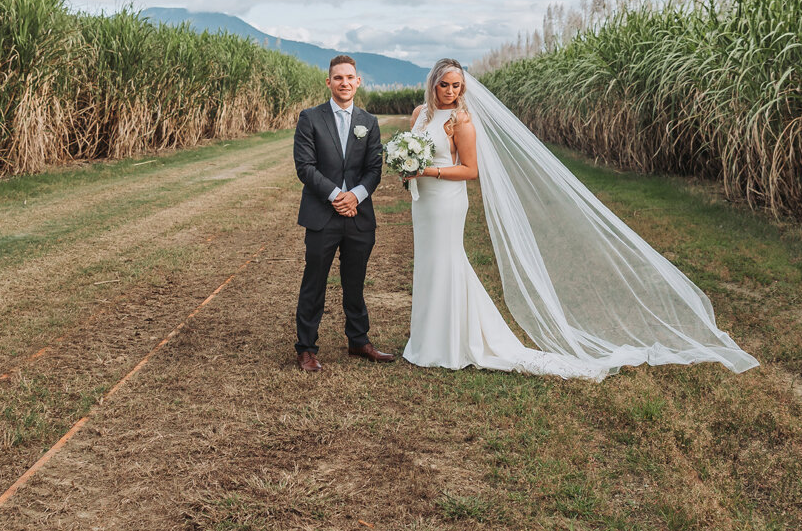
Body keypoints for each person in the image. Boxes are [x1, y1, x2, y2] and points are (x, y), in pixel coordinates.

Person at [402, 58, 757, 380]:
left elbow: (470, 169)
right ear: (433, 84)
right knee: (430, 263)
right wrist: (406, 171)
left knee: (448, 260)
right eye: (445, 85)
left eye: (457, 86)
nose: (451, 91)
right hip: (424, 204)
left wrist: (427, 170)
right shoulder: (421, 114)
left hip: (447, 201)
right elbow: (410, 153)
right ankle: (429, 337)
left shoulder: (460, 120)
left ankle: (447, 343)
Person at [291, 55, 393, 372]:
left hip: (359, 215)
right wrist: (337, 196)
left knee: (355, 281)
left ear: (358, 81)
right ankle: (306, 348)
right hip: (322, 214)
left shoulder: (369, 122)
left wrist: (356, 196)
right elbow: (305, 167)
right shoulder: (310, 118)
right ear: (329, 82)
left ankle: (359, 341)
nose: (344, 83)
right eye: (338, 78)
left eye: (350, 77)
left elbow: (374, 169)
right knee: (314, 282)